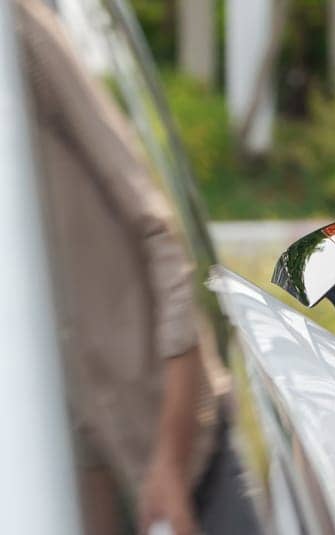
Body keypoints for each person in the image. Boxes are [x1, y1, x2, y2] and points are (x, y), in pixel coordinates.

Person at [14, 0, 259, 533]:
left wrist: (169, 459)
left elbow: (158, 231)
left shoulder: (17, 32)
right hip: (86, 471)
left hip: (184, 456)